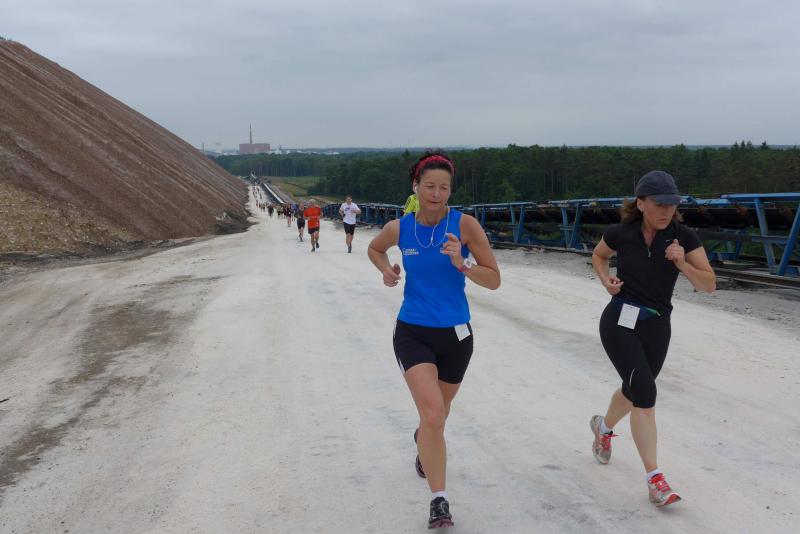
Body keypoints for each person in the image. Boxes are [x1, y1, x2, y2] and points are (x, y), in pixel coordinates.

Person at [368, 151, 500, 529]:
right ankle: (439, 500)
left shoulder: (466, 225)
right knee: (433, 414)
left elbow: (494, 279)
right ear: (416, 187)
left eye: (444, 187)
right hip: (413, 331)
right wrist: (387, 271)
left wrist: (463, 264)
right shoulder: (400, 227)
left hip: (456, 335)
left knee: (438, 414)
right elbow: (374, 248)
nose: (436, 194)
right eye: (429, 186)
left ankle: (423, 440)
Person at [589, 170, 716, 507]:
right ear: (641, 203)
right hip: (619, 321)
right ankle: (655, 479)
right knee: (645, 394)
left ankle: (603, 428)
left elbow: (709, 284)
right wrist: (605, 280)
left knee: (634, 390)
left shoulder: (683, 237)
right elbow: (599, 255)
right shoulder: (620, 232)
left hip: (658, 326)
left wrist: (682, 264)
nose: (666, 211)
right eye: (659, 204)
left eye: (671, 205)